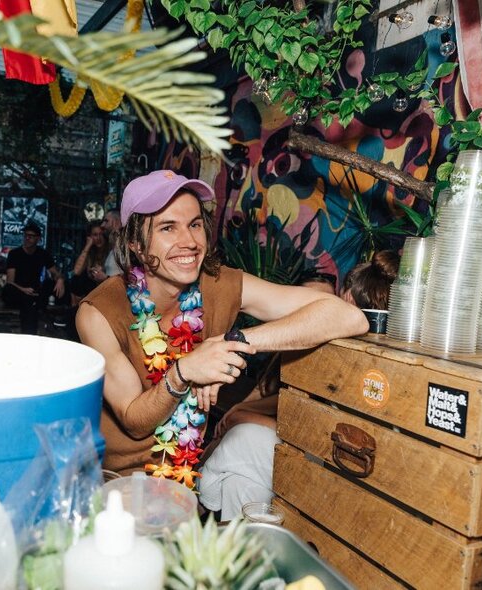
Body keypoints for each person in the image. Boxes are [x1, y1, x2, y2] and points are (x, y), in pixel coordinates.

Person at [76, 170, 367, 508]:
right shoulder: (99, 311)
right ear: (136, 245)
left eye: (195, 224)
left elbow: (349, 316)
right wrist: (184, 372)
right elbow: (135, 420)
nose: (189, 241)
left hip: (189, 476)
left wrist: (235, 341)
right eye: (168, 228)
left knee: (253, 444)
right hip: (120, 487)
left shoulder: (219, 283)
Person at [199, 250, 399, 519]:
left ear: (347, 298)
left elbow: (321, 433)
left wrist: (246, 415)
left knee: (242, 440)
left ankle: (198, 499)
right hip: (337, 464)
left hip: (339, 469)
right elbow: (292, 401)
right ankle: (243, 555)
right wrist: (243, 410)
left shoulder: (351, 356)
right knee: (239, 479)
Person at [4, 222, 66, 334]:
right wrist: (23, 289)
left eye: (31, 236)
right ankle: (29, 333)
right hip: (18, 290)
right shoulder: (14, 254)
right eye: (26, 235)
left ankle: (62, 319)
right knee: (24, 298)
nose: (27, 238)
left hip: (36, 291)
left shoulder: (42, 254)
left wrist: (60, 280)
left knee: (51, 286)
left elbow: (55, 273)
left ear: (38, 239)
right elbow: (10, 282)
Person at [69, 220, 111, 305]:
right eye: (95, 235)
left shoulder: (111, 251)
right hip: (90, 288)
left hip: (105, 286)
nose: (99, 238)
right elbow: (77, 271)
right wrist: (88, 246)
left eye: (101, 234)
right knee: (75, 280)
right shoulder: (90, 252)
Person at [100, 208, 123, 278]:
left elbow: (130, 278)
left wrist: (105, 278)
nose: (102, 225)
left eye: (106, 221)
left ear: (117, 222)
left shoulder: (126, 248)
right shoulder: (113, 248)